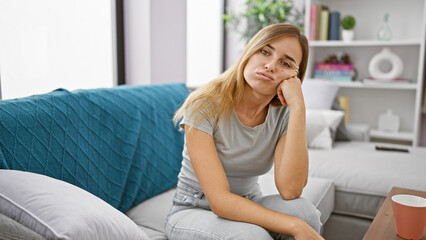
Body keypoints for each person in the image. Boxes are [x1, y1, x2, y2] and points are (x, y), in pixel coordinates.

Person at [166, 23, 323, 240]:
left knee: (306, 215)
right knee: (254, 236)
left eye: (285, 63)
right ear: (249, 52)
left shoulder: (283, 113)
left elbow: (291, 190)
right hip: (194, 208)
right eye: (265, 51)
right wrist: (294, 226)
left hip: (248, 201)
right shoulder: (205, 104)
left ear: (294, 77)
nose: (270, 65)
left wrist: (298, 106)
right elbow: (220, 202)